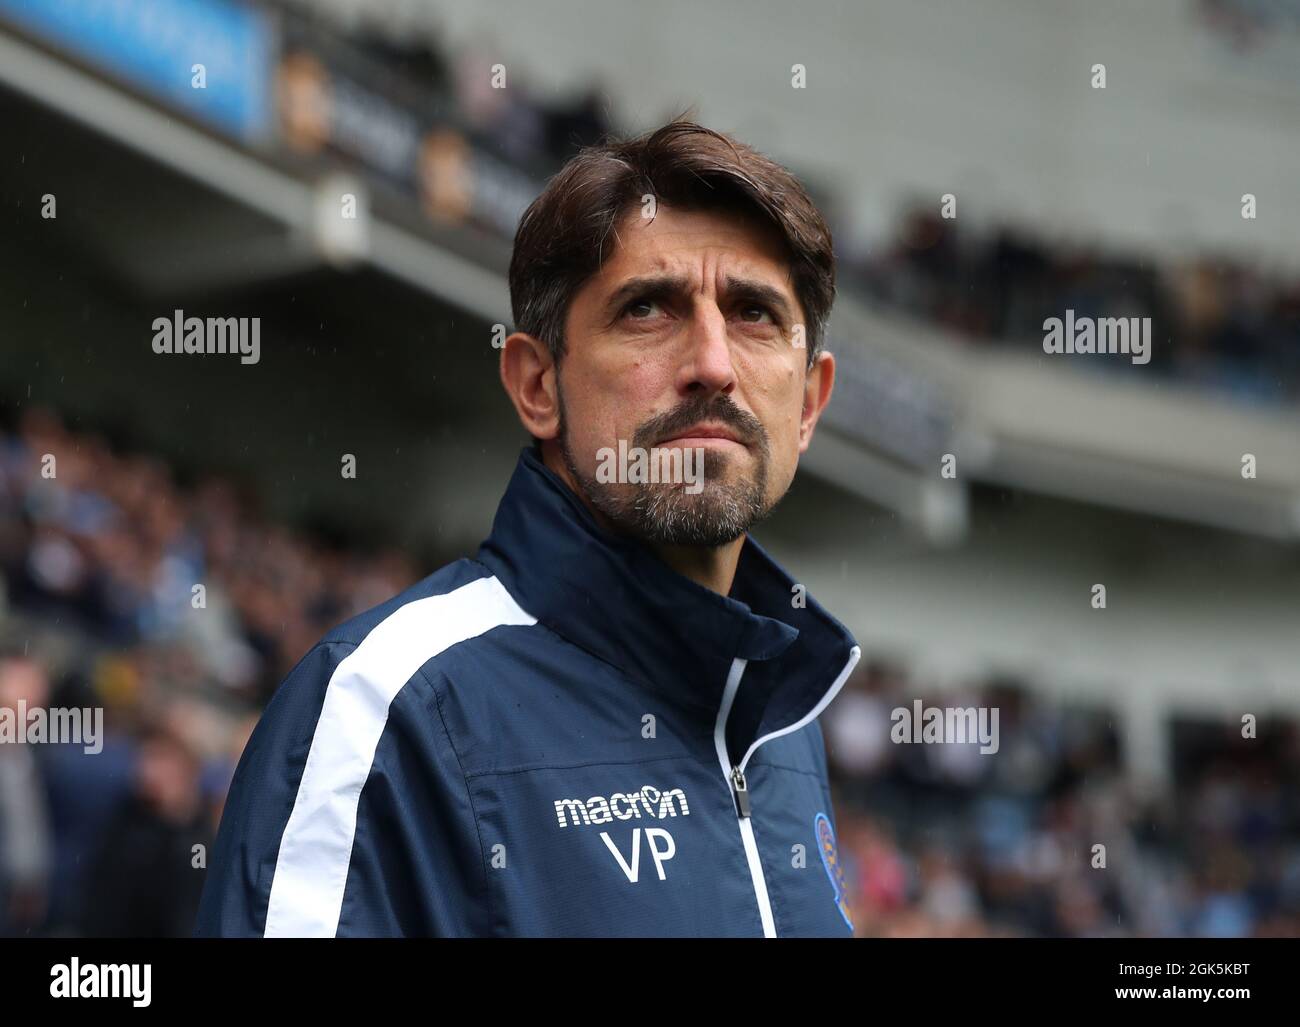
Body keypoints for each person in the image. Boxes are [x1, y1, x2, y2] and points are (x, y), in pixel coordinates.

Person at [195, 117, 860, 937]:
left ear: (809, 404)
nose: (714, 364)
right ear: (537, 384)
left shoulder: (783, 725)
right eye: (648, 308)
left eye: (754, 313)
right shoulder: (387, 713)